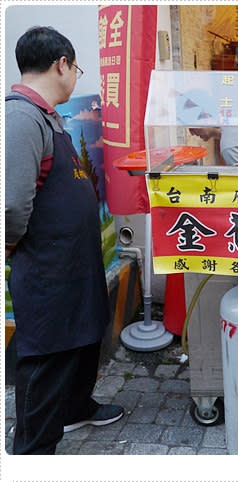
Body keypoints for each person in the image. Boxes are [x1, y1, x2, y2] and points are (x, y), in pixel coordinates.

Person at [5, 26, 124, 454]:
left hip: (74, 264)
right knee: (48, 360)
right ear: (62, 64)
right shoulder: (20, 117)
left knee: (81, 344)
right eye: (76, 67)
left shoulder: (50, 117)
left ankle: (75, 408)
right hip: (48, 271)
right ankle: (33, 453)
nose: (76, 75)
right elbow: (11, 205)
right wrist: (11, 243)